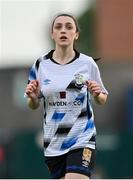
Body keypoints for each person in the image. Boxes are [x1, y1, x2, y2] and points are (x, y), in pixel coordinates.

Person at [25, 13, 108, 179]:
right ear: (52, 34)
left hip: (82, 138)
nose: (63, 30)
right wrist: (33, 98)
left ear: (76, 34)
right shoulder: (41, 65)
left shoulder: (87, 63)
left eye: (69, 27)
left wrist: (97, 93)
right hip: (54, 144)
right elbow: (32, 104)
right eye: (58, 27)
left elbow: (102, 98)